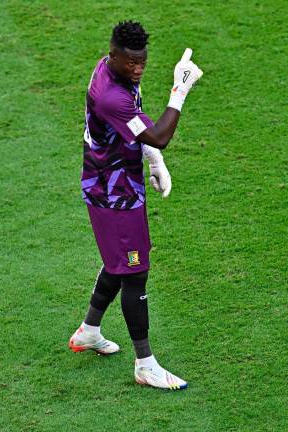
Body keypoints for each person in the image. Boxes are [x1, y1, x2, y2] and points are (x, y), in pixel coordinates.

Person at [69, 21, 203, 390]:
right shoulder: (111, 94)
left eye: (142, 62)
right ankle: (145, 364)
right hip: (113, 195)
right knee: (134, 270)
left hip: (119, 184)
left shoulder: (115, 67)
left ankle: (89, 331)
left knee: (122, 260)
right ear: (114, 55)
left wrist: (151, 161)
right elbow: (159, 136)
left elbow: (138, 127)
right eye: (131, 63)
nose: (138, 69)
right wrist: (180, 91)